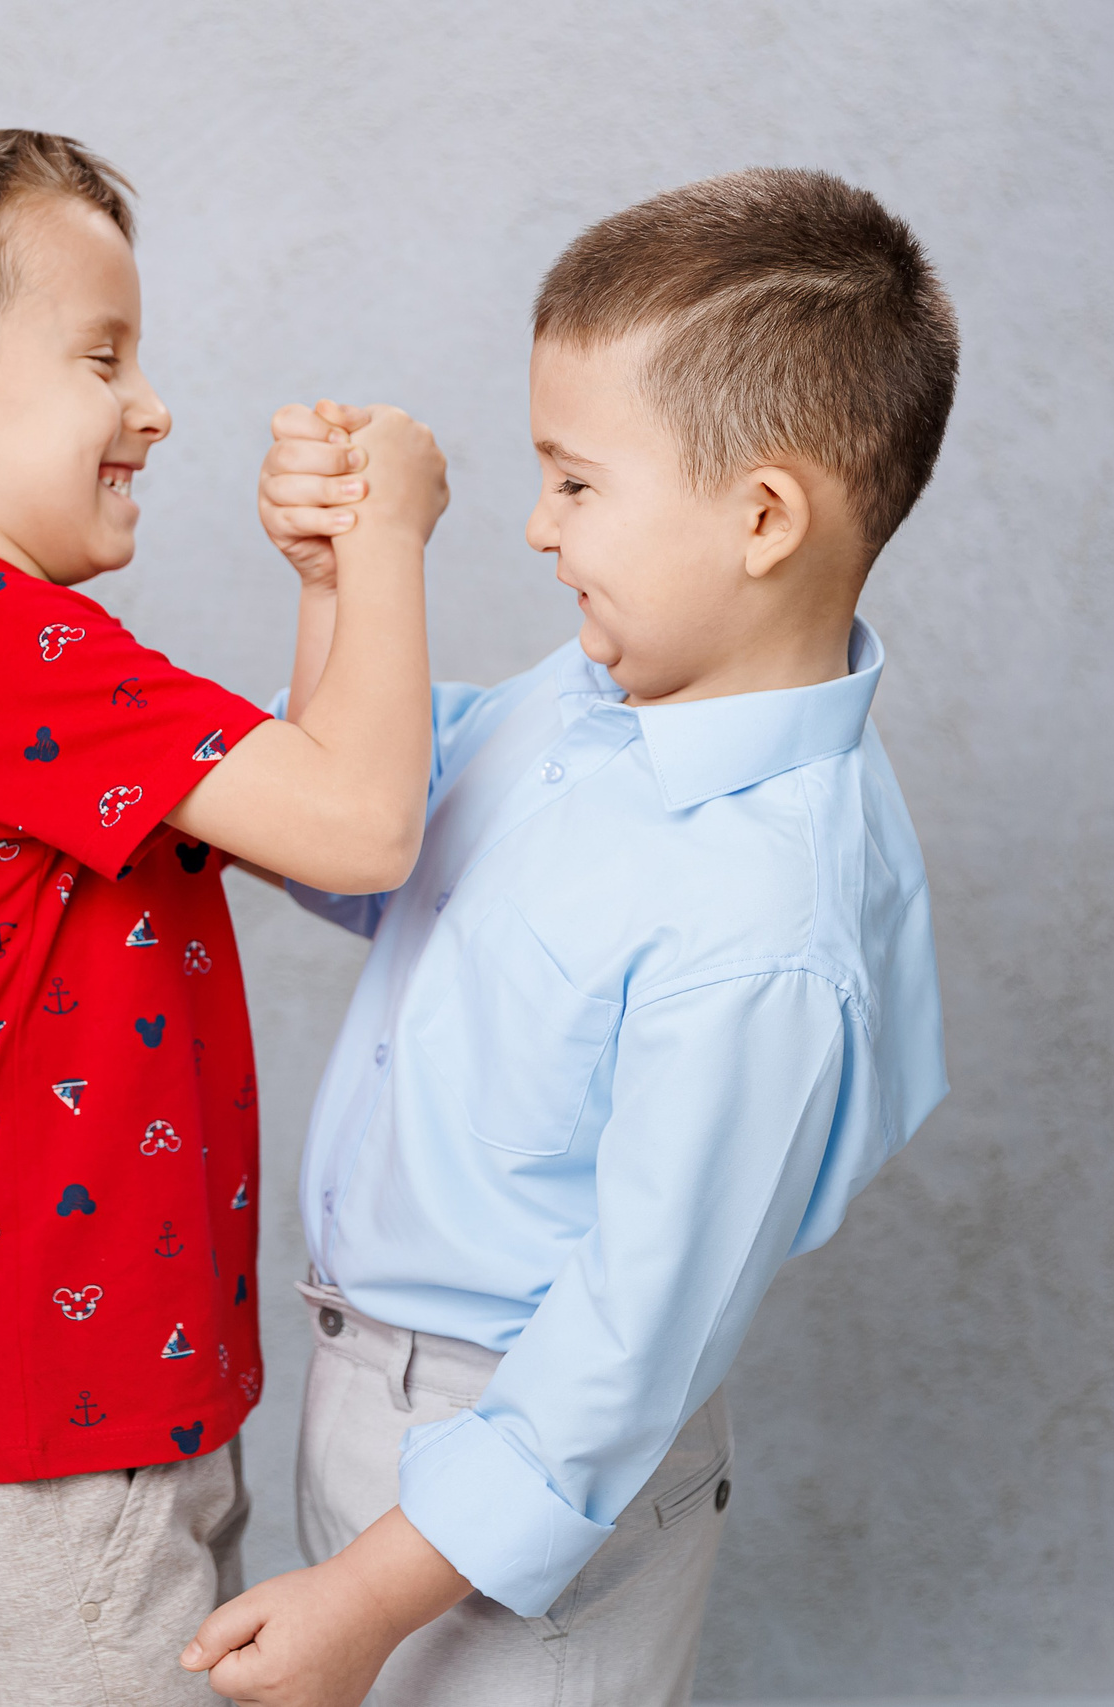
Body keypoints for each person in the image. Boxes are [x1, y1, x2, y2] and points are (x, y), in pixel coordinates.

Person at [182, 167, 960, 1707]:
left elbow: (621, 1359)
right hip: (374, 1403)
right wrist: (339, 585)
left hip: (520, 1481)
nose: (536, 530)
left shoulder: (765, 925)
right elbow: (358, 846)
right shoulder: (587, 696)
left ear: (762, 516)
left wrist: (364, 1596)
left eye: (578, 482)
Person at [0, 128, 447, 1707]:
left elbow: (323, 821)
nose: (154, 404)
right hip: (52, 1432)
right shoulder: (2, 646)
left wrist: (327, 583)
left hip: (111, 1400)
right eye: (101, 356)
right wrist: (390, 539)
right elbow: (372, 822)